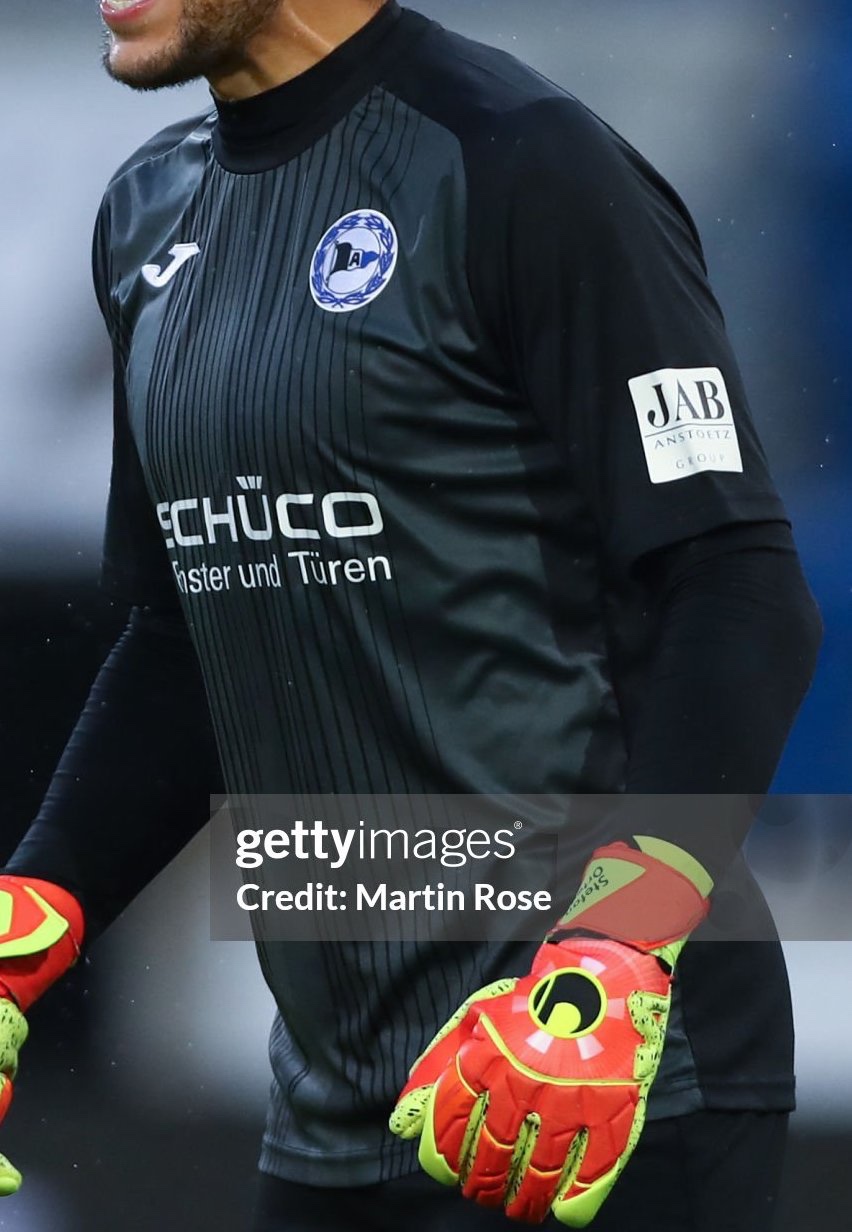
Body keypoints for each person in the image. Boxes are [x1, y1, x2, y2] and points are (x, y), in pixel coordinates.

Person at [0, 1, 822, 1228]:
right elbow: (189, 636)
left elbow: (741, 587)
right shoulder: (146, 214)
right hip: (339, 1112)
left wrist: (615, 948)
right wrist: (34, 912)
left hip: (599, 1080)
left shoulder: (519, 157)